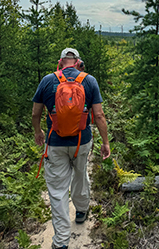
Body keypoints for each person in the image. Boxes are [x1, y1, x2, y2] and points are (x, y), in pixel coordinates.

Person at [32, 48, 110, 249]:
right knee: (80, 174)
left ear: (60, 62)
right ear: (77, 62)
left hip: (55, 143)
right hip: (81, 142)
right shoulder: (89, 80)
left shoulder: (48, 80)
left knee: (57, 191)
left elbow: (35, 113)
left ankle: (61, 241)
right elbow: (99, 115)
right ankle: (82, 211)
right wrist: (105, 142)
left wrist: (38, 132)